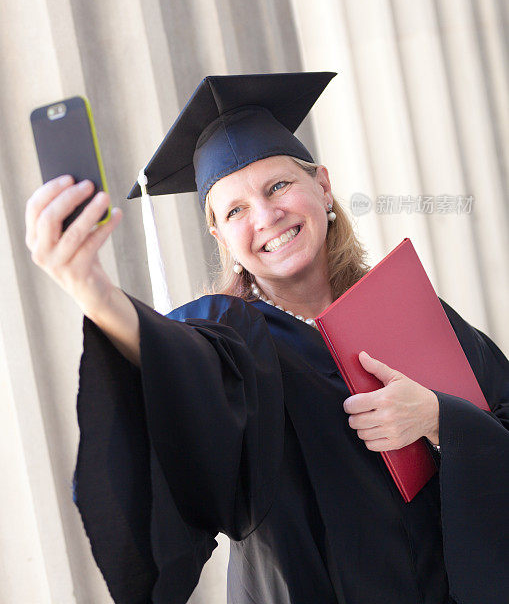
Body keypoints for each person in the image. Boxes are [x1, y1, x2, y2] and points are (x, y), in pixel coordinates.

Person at [25, 73, 509, 604]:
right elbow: (177, 363)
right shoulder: (236, 340)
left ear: (321, 186)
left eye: (278, 186)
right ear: (219, 235)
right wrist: (92, 289)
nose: (266, 216)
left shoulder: (408, 308)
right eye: (234, 210)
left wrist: (439, 418)